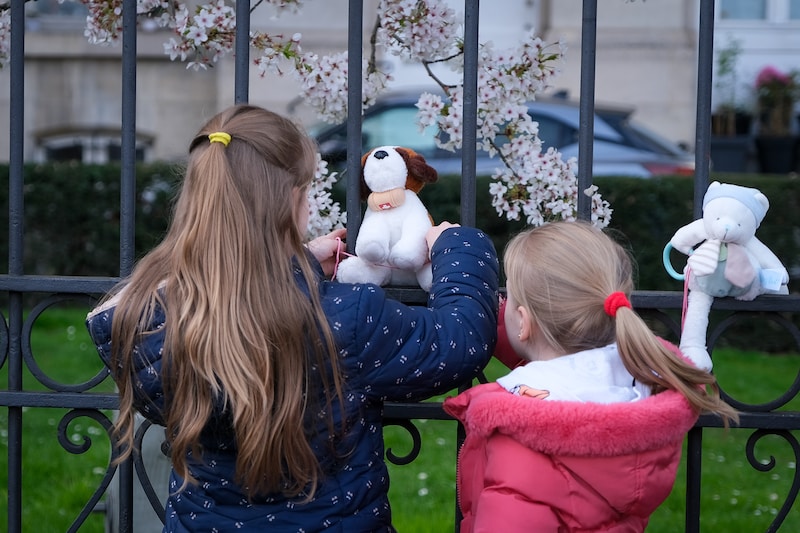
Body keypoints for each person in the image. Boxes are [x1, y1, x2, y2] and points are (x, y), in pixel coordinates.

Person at [85, 104, 499, 532]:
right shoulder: (343, 318)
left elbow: (234, 293)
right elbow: (458, 341)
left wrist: (293, 266)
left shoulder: (151, 325)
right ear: (290, 202)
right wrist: (460, 250)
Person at [443, 221, 738, 533]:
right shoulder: (636, 388)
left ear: (523, 321)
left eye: (510, 298)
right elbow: (557, 351)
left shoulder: (523, 442)